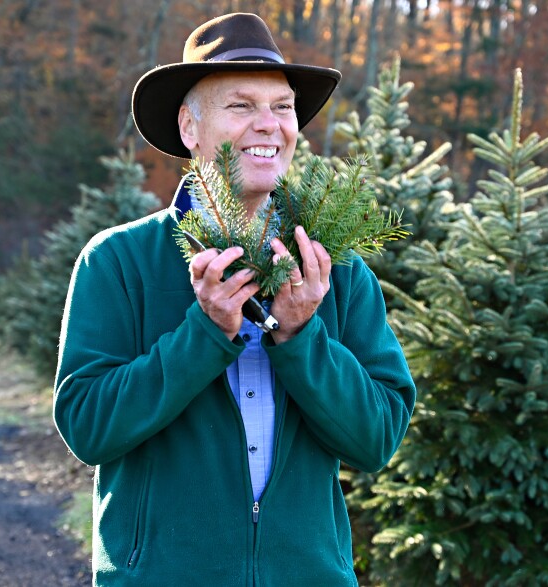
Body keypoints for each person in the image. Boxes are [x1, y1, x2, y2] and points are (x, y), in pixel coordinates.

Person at [53, 13, 416, 586]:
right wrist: (205, 334)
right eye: (241, 106)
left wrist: (300, 336)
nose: (268, 125)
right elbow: (89, 428)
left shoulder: (334, 271)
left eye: (283, 106)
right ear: (189, 128)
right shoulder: (118, 261)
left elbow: (375, 440)